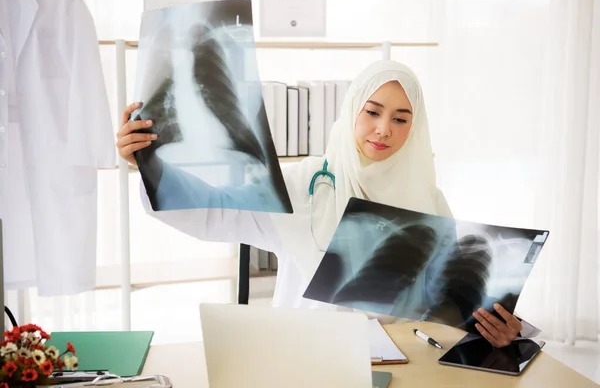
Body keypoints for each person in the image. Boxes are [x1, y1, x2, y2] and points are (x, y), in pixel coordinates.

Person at [116, 60, 532, 348]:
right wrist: (147, 161)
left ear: (414, 127)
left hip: (405, 361)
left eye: (401, 119)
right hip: (309, 359)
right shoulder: (303, 187)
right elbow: (207, 212)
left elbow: (456, 303)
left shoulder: (430, 200)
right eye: (372, 111)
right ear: (352, 109)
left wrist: (501, 328)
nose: (383, 129)